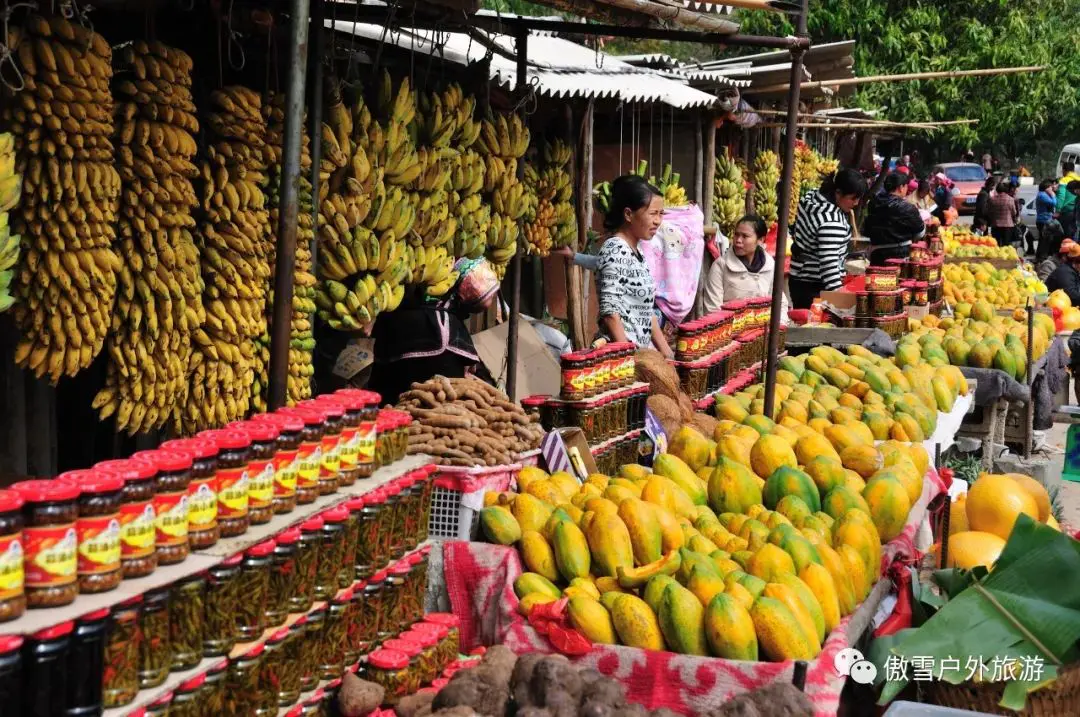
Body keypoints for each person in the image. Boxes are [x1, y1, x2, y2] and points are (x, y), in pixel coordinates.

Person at [366, 257, 499, 404]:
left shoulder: (384, 246)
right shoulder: (451, 246)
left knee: (393, 412)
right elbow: (484, 296)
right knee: (439, 408)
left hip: (391, 338)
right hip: (435, 337)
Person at [595, 175, 673, 357]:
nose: (658, 221)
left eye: (661, 214)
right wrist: (628, 360)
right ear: (628, 214)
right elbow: (610, 313)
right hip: (619, 362)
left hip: (639, 357)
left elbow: (646, 311)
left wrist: (669, 355)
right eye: (652, 213)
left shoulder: (636, 251)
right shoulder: (615, 249)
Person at [788, 168, 866, 309]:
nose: (856, 203)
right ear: (838, 193)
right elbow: (828, 266)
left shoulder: (812, 196)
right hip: (815, 286)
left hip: (798, 279)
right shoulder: (831, 221)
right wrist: (841, 301)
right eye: (852, 198)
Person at [701, 214, 789, 321]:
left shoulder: (770, 266)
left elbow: (780, 303)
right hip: (729, 333)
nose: (738, 240)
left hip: (763, 332)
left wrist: (780, 325)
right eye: (736, 235)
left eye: (745, 236)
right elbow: (712, 310)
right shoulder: (721, 266)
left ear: (760, 240)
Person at [863, 172, 926, 264]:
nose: (907, 189)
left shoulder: (872, 204)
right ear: (901, 187)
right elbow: (920, 233)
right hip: (901, 255)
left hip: (876, 255)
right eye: (906, 186)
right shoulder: (908, 208)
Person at [1046, 241, 1080, 306]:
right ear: (1076, 262)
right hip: (1055, 307)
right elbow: (1072, 296)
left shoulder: (1072, 270)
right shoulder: (1065, 272)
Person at [988, 181, 1019, 247]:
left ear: (997, 190)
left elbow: (990, 211)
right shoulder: (1010, 199)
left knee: (996, 244)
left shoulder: (992, 199)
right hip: (1008, 226)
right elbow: (1014, 212)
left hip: (995, 225)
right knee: (1006, 245)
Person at [1035, 179, 1059, 260]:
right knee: (1045, 240)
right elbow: (1054, 203)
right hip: (1044, 221)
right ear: (1047, 188)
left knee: (1043, 240)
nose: (1052, 188)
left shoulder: (1042, 194)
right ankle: (1042, 257)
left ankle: (1039, 257)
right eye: (1050, 187)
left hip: (1044, 220)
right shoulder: (1042, 195)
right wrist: (1053, 195)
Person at [1057, 161, 1080, 238]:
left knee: (1065, 235)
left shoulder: (1063, 180)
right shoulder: (1078, 179)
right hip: (1076, 211)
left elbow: (1061, 196)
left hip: (1067, 211)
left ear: (1064, 170)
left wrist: (1058, 210)